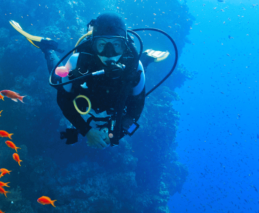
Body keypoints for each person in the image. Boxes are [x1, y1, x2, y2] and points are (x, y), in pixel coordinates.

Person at [11, 13, 168, 148]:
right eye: (102, 45)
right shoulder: (77, 61)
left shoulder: (135, 66)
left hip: (126, 77)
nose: (109, 54)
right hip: (81, 87)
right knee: (55, 78)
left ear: (124, 45)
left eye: (116, 45)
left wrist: (116, 134)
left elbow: (136, 108)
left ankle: (146, 58)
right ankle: (48, 48)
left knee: (136, 70)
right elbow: (63, 101)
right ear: (93, 44)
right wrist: (86, 131)